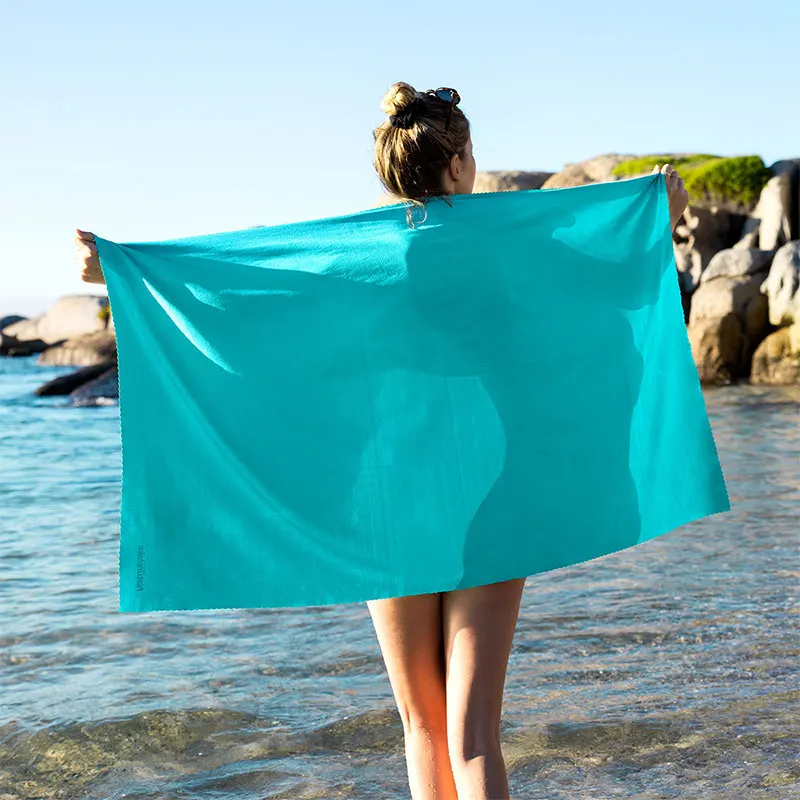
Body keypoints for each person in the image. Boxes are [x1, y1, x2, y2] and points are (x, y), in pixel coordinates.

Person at [75, 81, 689, 800]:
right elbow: (617, 283)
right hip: (500, 499)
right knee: (474, 734)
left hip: (389, 511)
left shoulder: (357, 264)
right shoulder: (511, 251)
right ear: (457, 164)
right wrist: (660, 210)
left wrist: (119, 274)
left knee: (422, 726)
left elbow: (243, 293)